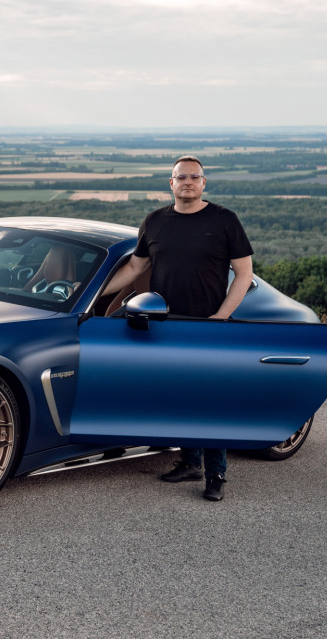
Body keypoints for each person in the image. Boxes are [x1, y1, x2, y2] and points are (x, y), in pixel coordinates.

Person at [101, 156, 254, 501]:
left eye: (194, 177)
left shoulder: (225, 221)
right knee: (179, 394)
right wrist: (94, 292)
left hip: (209, 326)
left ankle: (215, 474)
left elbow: (244, 274)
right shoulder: (154, 222)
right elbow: (134, 267)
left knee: (210, 401)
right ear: (170, 183)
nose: (187, 182)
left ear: (204, 183)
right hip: (164, 323)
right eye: (180, 177)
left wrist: (222, 316)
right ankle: (190, 462)